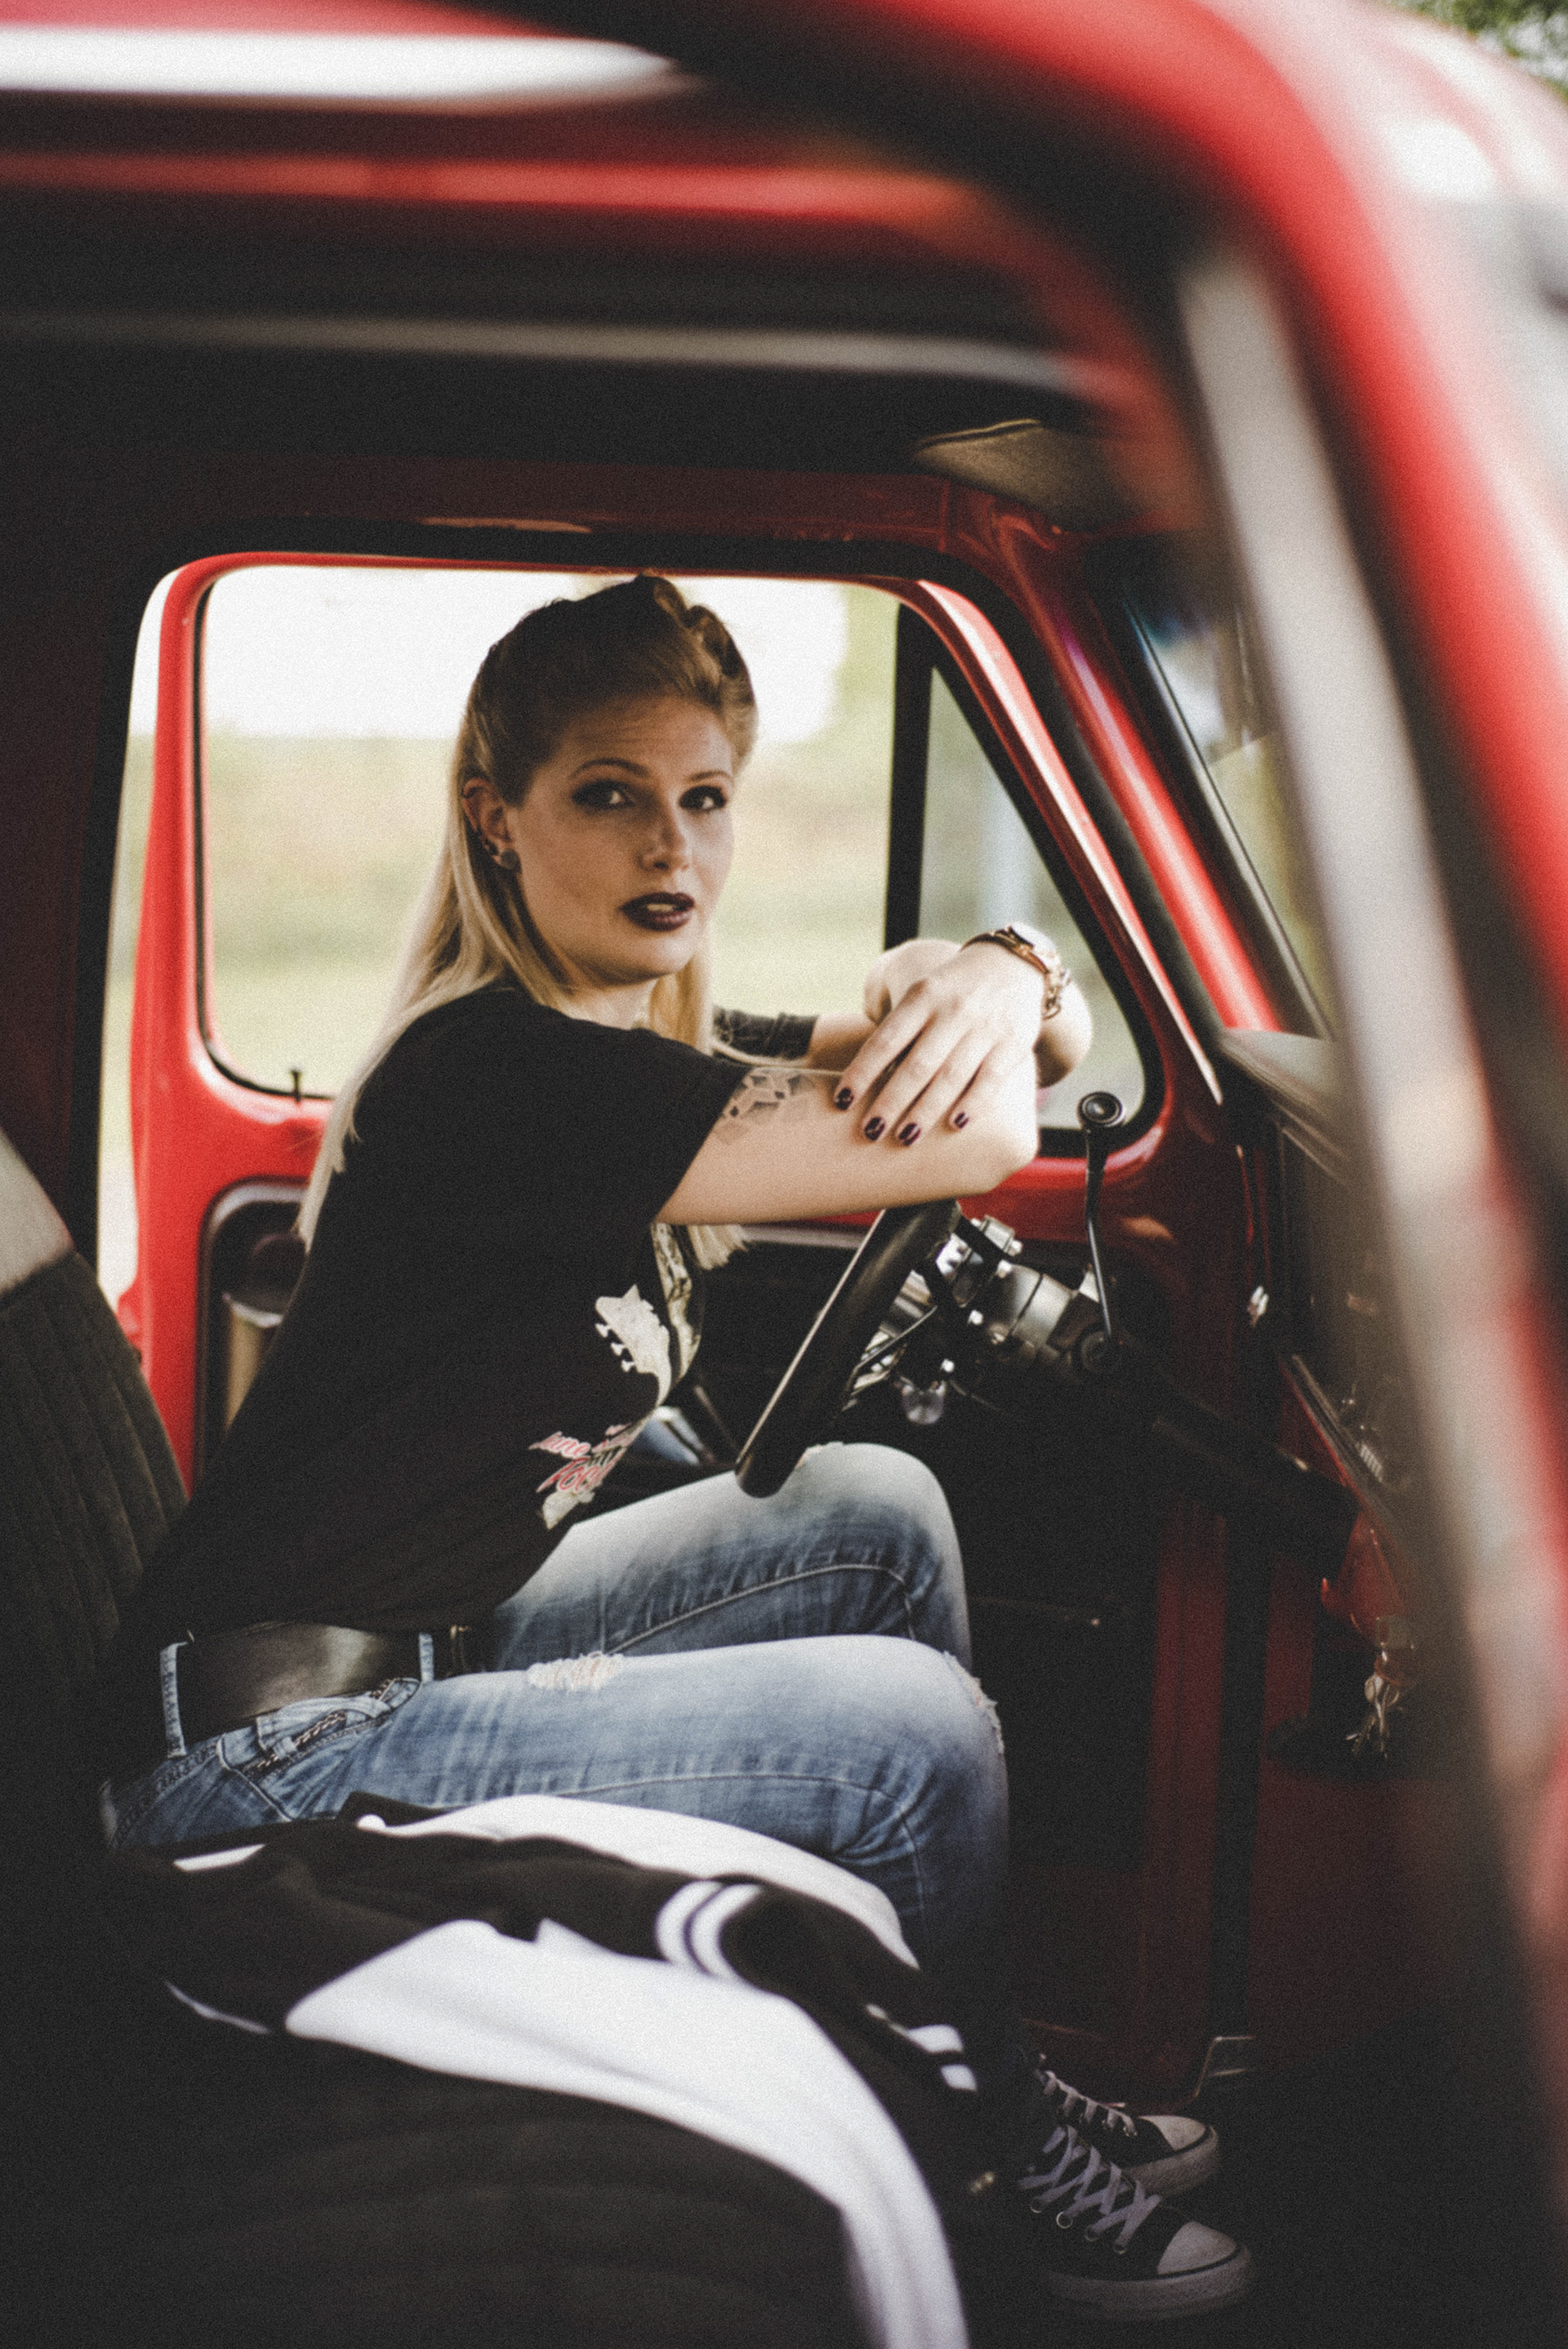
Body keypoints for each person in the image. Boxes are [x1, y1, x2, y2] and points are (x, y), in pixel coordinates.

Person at [94, 574, 1249, 2320]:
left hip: (442, 1638)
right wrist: (990, 999)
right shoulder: (504, 1074)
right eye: (609, 793)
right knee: (916, 1739)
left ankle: (978, 2066)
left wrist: (999, 968)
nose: (671, 844)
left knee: (874, 1511)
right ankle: (992, 2142)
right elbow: (981, 1131)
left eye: (706, 796)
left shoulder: (638, 1039)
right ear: (496, 814)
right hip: (267, 1755)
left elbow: (1034, 1043)